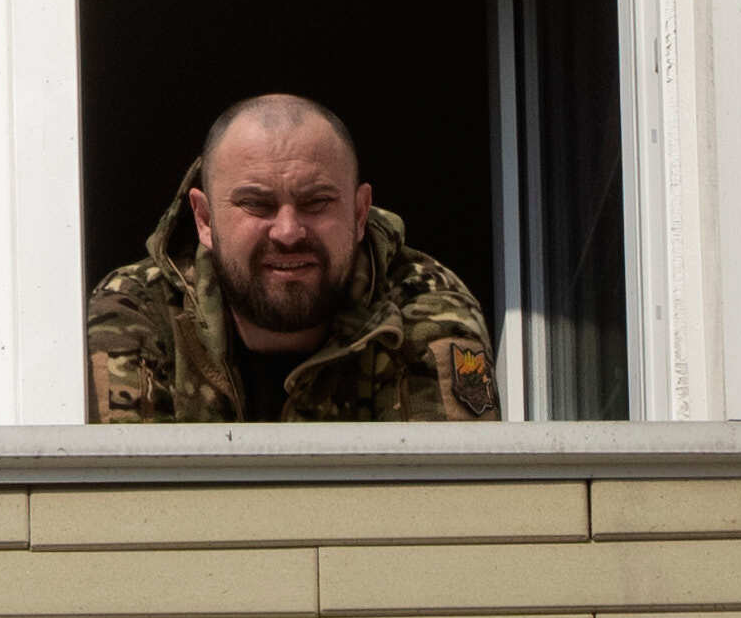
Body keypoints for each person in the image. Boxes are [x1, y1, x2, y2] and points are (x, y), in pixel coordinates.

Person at [84, 89, 498, 423]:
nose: (288, 232)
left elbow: (444, 509)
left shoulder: (422, 306)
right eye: (257, 205)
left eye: (316, 203)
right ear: (204, 219)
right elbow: (125, 510)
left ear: (358, 214)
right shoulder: (138, 309)